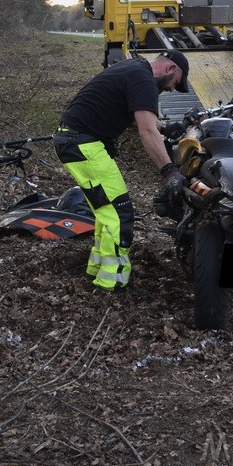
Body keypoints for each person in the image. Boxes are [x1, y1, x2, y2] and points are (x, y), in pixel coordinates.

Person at [53, 50, 190, 294]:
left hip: (73, 140)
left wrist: (166, 128)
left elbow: (146, 119)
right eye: (175, 84)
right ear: (170, 69)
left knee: (106, 211)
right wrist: (169, 171)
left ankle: (99, 270)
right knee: (119, 213)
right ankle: (113, 283)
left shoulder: (134, 68)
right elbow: (146, 132)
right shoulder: (144, 80)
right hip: (84, 145)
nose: (171, 90)